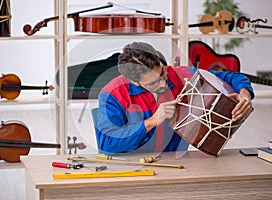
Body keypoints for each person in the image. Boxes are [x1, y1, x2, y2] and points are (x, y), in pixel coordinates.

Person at [96, 42, 254, 154]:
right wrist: (152, 121)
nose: (164, 82)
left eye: (162, 72)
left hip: (177, 161)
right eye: (153, 82)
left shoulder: (181, 75)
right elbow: (107, 144)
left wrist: (245, 94)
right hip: (129, 164)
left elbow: (232, 77)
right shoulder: (111, 94)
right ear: (134, 81)